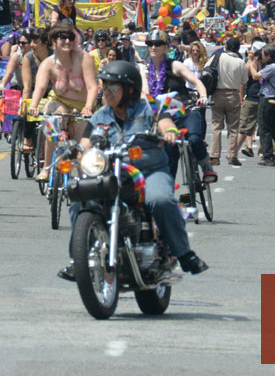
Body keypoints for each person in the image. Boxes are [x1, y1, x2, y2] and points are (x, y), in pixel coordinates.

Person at [60, 60, 208, 281]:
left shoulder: (149, 107)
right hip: (111, 174)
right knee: (79, 201)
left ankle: (184, 253)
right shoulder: (100, 116)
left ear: (130, 89)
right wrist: (77, 153)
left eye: (113, 86)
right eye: (104, 85)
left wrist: (170, 132)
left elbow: (165, 122)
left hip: (148, 172)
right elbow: (85, 143)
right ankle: (78, 261)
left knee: (160, 200)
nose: (106, 91)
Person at [31, 20, 100, 183]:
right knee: (53, 120)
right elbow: (40, 87)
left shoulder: (84, 58)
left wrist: (88, 107)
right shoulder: (48, 63)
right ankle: (46, 168)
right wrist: (33, 105)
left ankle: (83, 179)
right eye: (62, 37)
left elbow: (92, 87)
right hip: (58, 101)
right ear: (53, 42)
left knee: (81, 148)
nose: (67, 41)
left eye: (70, 37)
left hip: (81, 107)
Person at [146, 29, 213, 181]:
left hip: (186, 110)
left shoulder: (175, 65)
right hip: (165, 118)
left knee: (194, 139)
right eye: (150, 44)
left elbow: (196, 82)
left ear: (165, 46)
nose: (153, 47)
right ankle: (168, 189)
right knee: (169, 152)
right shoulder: (145, 71)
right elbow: (144, 94)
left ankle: (206, 166)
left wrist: (203, 97)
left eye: (157, 44)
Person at [208, 36, 248, 167]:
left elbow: (206, 69)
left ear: (226, 47)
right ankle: (232, 155)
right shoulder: (240, 62)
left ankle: (214, 155)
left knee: (216, 126)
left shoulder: (217, 57)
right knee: (233, 128)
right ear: (238, 49)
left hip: (217, 93)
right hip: (233, 94)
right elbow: (244, 80)